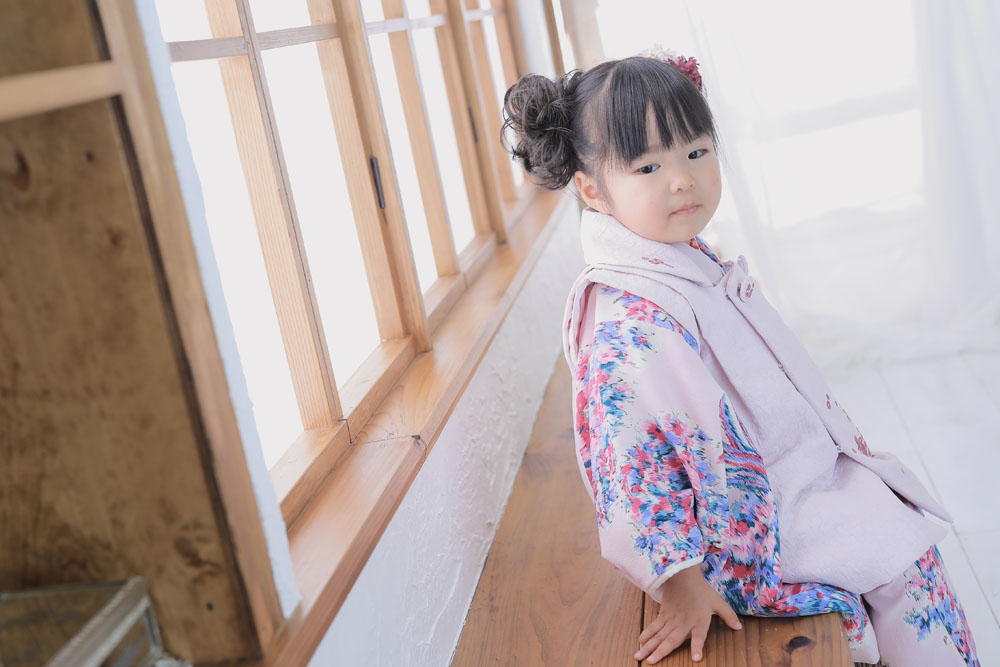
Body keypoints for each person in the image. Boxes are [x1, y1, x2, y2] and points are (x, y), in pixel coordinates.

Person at [500, 50, 981, 666]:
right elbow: (632, 469)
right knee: (902, 564)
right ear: (593, 191)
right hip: (738, 530)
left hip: (778, 477)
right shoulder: (629, 321)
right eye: (648, 166)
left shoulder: (671, 256)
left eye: (696, 151)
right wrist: (681, 583)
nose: (682, 179)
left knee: (901, 539)